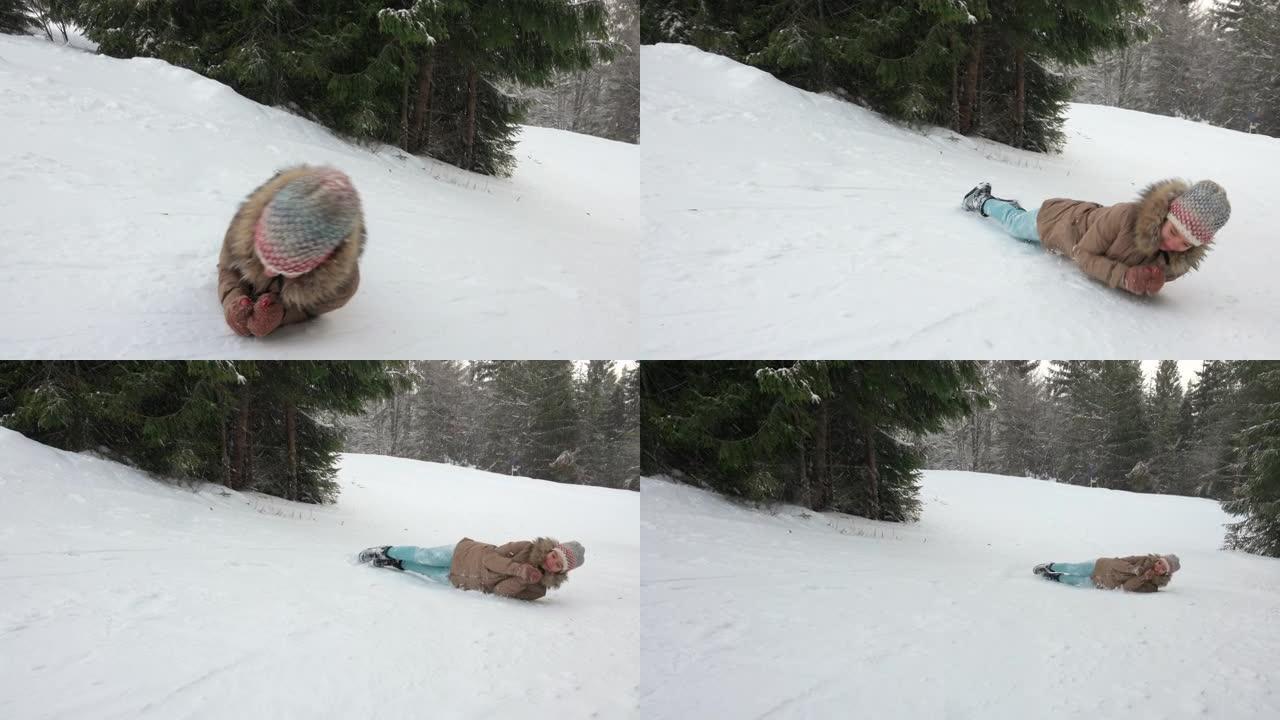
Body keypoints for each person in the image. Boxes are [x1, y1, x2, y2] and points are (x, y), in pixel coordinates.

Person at [961, 179, 1229, 296]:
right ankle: (982, 200)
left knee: (1017, 221)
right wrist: (1124, 277)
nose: (1173, 245)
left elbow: (1153, 275)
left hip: (1080, 224)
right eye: (1173, 233)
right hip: (1062, 221)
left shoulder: (1177, 261)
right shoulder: (1124, 216)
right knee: (1015, 226)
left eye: (1185, 243)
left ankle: (1011, 207)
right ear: (1167, 214)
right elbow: (1082, 254)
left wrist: (1152, 281)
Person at [219, 165, 365, 337]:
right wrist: (233, 301)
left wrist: (280, 316)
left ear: (318, 264)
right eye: (263, 255)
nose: (268, 271)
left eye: (285, 268)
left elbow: (311, 308)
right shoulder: (242, 226)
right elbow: (228, 267)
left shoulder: (340, 288)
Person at [356, 537, 585, 601]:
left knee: (422, 571)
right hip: (466, 553)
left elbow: (500, 591)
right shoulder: (526, 546)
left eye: (558, 564)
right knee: (425, 555)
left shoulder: (538, 590)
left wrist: (526, 579)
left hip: (465, 580)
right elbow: (490, 558)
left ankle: (396, 563)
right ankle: (388, 550)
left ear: (560, 572)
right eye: (554, 555)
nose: (552, 561)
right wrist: (518, 569)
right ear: (552, 550)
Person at [1032, 553, 1179, 593]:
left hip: (1102, 583)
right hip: (1102, 566)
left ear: (1165, 573)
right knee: (1073, 569)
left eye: (1163, 568)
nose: (1158, 566)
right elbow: (1119, 561)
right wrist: (1133, 569)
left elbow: (1127, 587)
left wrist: (1142, 578)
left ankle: (1053, 577)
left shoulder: (1152, 586)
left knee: (1071, 581)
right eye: (1160, 562)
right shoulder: (1145, 559)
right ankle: (1050, 566)